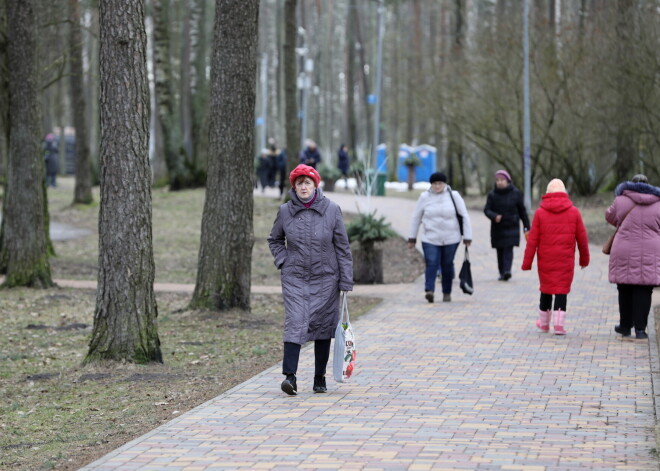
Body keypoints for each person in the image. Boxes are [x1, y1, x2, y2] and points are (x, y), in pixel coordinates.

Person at [267, 164, 353, 395]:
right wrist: (284, 261)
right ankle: (290, 377)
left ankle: (319, 378)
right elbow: (274, 239)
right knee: (295, 322)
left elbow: (342, 247)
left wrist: (346, 280)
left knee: (323, 326)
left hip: (326, 278)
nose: (303, 187)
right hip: (295, 278)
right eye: (299, 183)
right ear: (293, 186)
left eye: (308, 183)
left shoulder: (332, 209)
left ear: (316, 185)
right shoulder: (285, 211)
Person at [521, 178, 589, 335]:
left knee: (545, 289)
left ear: (547, 193)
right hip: (565, 260)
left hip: (545, 260)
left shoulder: (539, 213)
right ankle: (559, 325)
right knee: (561, 289)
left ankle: (544, 324)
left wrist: (527, 263)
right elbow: (582, 239)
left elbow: (532, 241)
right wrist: (584, 259)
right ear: (565, 193)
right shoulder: (574, 212)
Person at [606, 174, 660, 340]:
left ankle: (625, 326)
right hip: (651, 250)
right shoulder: (658, 203)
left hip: (624, 248)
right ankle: (641, 330)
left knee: (624, 288)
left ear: (630, 184)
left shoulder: (621, 200)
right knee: (644, 289)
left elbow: (609, 216)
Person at [407, 172, 472, 303]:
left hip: (451, 237)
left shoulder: (454, 196)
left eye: (440, 183)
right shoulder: (424, 197)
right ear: (431, 184)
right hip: (430, 237)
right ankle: (429, 290)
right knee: (431, 262)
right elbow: (416, 217)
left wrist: (467, 236)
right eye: (434, 184)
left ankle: (446, 292)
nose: (437, 186)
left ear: (445, 184)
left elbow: (464, 215)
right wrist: (412, 237)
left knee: (447, 264)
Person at [484, 169, 530, 281]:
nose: (499, 182)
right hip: (497, 228)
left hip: (511, 226)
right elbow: (486, 210)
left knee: (508, 249)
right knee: (500, 250)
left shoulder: (516, 193)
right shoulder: (492, 195)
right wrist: (494, 216)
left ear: (508, 181)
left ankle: (507, 270)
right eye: (497, 180)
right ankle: (502, 272)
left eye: (502, 180)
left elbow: (522, 211)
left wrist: (527, 227)